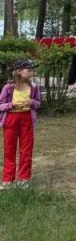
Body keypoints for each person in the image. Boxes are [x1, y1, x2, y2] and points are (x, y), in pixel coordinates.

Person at [0, 59, 41, 189]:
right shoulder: (8, 87)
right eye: (29, 70)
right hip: (11, 119)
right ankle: (7, 179)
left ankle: (23, 178)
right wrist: (12, 104)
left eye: (32, 70)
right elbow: (1, 105)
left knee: (26, 149)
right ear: (19, 71)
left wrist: (31, 102)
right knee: (9, 149)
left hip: (27, 119)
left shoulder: (34, 87)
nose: (32, 73)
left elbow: (38, 103)